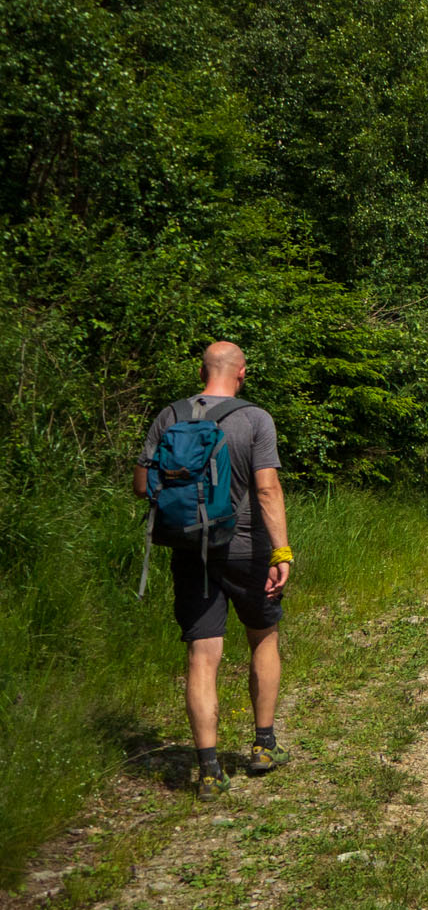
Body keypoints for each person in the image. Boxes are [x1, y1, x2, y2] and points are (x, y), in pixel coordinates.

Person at [139, 342, 292, 800]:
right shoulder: (255, 418)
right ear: (241, 372)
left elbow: (141, 484)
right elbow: (267, 490)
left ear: (202, 370)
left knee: (202, 657)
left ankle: (208, 770)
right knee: (262, 637)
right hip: (247, 548)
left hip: (190, 548)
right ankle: (263, 745)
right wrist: (281, 551)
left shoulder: (170, 415)